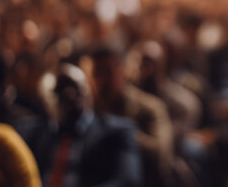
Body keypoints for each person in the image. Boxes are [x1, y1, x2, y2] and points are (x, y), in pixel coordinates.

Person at [14, 64, 142, 187]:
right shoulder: (28, 132)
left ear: (89, 91)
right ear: (45, 102)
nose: (71, 95)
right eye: (60, 90)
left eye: (76, 87)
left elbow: (127, 181)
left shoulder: (116, 132)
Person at [91, 48, 174, 187]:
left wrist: (121, 133)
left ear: (121, 71)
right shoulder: (89, 109)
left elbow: (160, 153)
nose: (102, 80)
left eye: (108, 72)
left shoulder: (150, 108)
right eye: (97, 73)